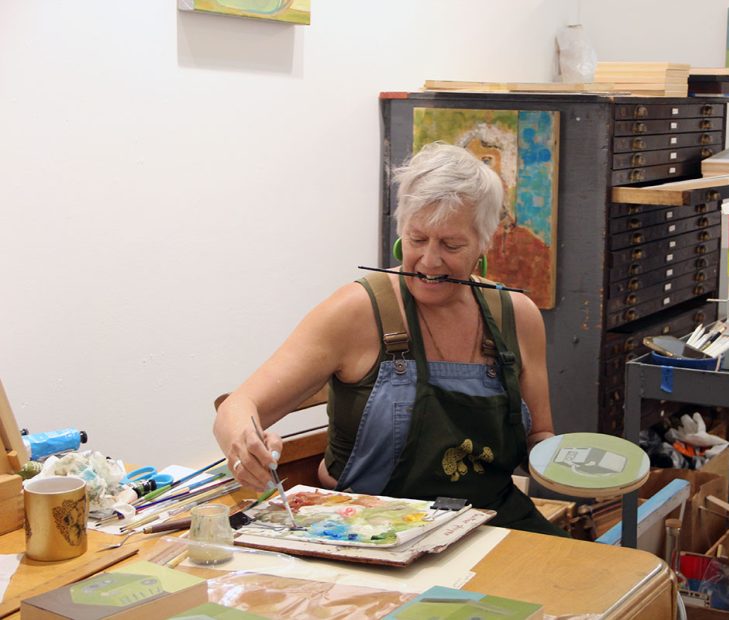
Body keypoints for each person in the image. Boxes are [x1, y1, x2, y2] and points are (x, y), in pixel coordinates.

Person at [213, 142, 567, 537]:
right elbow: (237, 406)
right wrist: (247, 446)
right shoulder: (355, 312)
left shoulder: (516, 315)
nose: (430, 261)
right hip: (366, 530)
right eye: (417, 239)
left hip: (489, 522)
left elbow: (540, 435)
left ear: (485, 242)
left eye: (451, 245)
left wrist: (572, 465)